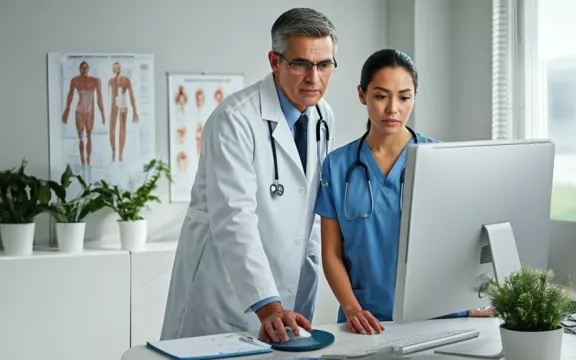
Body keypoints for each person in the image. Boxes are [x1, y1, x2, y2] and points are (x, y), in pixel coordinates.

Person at [160, 7, 339, 343]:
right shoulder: (234, 119)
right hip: (224, 297)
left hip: (290, 296)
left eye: (324, 64)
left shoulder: (323, 116)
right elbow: (233, 217)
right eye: (301, 64)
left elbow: (312, 208)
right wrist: (268, 305)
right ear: (275, 61)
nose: (314, 78)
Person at [314, 49, 494, 336]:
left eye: (404, 97)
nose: (392, 109)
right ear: (362, 95)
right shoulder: (337, 166)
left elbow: (463, 244)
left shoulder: (441, 158)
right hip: (365, 321)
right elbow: (331, 253)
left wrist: (469, 299)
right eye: (381, 96)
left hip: (438, 318)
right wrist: (352, 309)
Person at [62, 61, 105, 168]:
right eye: (82, 68)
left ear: (88, 69)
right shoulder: (75, 80)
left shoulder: (95, 81)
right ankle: (82, 162)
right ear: (79, 69)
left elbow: (99, 97)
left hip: (90, 111)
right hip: (80, 111)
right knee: (81, 137)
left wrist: (102, 112)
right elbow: (70, 95)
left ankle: (88, 160)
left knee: (89, 136)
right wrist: (67, 110)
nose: (84, 69)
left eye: (86, 68)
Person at [108, 61, 139, 162]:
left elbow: (131, 96)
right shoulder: (111, 81)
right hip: (114, 105)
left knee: (122, 128)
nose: (116, 69)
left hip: (123, 105)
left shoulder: (126, 80)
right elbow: (109, 95)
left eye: (118, 67)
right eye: (115, 67)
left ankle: (120, 153)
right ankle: (113, 150)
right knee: (112, 128)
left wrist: (135, 111)